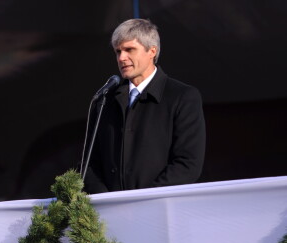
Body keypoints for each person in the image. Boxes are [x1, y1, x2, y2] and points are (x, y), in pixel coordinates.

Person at [83, 18, 206, 193]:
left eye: (129, 49)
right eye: (118, 51)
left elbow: (188, 165)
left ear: (152, 51)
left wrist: (144, 200)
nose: (121, 58)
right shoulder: (105, 100)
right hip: (110, 215)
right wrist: (106, 201)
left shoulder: (183, 97)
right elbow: (89, 163)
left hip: (160, 209)